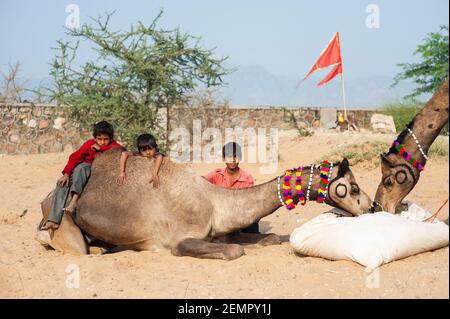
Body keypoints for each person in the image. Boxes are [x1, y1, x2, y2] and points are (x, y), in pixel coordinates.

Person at [42, 121, 121, 230]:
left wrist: (101, 149)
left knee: (81, 168)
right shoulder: (89, 144)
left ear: (111, 139)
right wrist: (66, 174)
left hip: (95, 169)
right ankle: (53, 220)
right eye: (99, 139)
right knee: (61, 184)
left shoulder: (113, 146)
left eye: (106, 139)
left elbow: (122, 151)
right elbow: (75, 157)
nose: (102, 142)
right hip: (84, 166)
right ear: (95, 138)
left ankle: (74, 201)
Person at [203, 142, 259, 233]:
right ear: (223, 158)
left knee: (254, 218)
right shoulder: (216, 174)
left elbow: (250, 203)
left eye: (235, 156)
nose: (232, 160)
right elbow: (201, 181)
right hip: (219, 217)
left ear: (240, 158)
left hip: (239, 215)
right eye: (229, 156)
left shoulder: (247, 178)